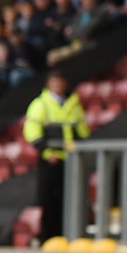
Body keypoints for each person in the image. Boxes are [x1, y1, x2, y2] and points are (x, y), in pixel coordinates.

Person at [23, 70, 90, 242]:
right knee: (48, 200)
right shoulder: (41, 104)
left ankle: (67, 236)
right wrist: (46, 152)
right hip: (50, 160)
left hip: (70, 160)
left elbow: (82, 130)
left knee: (68, 199)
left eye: (60, 83)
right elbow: (32, 131)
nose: (58, 87)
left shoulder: (74, 104)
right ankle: (47, 238)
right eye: (54, 83)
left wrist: (80, 147)